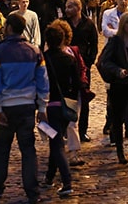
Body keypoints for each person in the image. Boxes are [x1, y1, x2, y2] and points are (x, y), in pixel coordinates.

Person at [0, 14, 49, 204]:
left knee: (2, 149)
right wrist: (43, 107)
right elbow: (43, 82)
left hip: (6, 107)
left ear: (10, 28)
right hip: (27, 107)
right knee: (28, 150)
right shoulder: (34, 51)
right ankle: (32, 192)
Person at [97, 11, 128, 165]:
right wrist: (118, 71)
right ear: (122, 24)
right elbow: (105, 61)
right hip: (119, 85)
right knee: (118, 118)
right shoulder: (115, 41)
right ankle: (120, 151)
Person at [42, 23, 80, 197]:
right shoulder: (69, 59)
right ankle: (49, 178)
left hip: (50, 105)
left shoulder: (44, 59)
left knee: (56, 144)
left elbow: (41, 83)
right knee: (55, 141)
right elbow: (77, 83)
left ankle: (67, 182)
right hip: (66, 106)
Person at [49, 19, 88, 167]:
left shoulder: (73, 51)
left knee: (72, 124)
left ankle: (73, 153)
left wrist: (82, 83)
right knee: (56, 127)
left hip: (71, 94)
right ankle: (57, 153)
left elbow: (82, 68)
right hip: (56, 95)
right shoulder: (48, 55)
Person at [66, 0, 98, 144]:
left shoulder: (88, 24)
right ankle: (67, 129)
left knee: (84, 98)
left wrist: (89, 62)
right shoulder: (64, 24)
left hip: (83, 67)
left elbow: (94, 45)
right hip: (67, 66)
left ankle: (83, 130)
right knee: (68, 98)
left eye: (69, 7)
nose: (66, 10)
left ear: (77, 8)